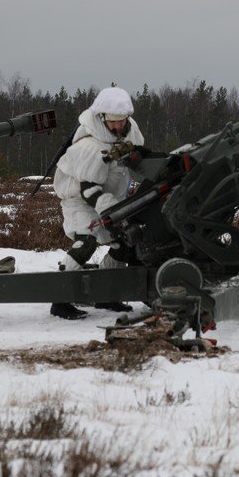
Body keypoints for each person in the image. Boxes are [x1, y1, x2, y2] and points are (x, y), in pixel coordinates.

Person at [49, 86, 144, 320]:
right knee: (86, 242)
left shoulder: (132, 133)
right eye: (113, 122)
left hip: (111, 198)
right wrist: (110, 210)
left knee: (124, 242)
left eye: (122, 121)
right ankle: (59, 299)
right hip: (79, 199)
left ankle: (105, 294)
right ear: (102, 118)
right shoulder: (90, 146)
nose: (119, 126)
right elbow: (88, 189)